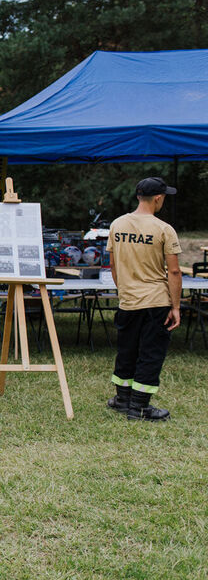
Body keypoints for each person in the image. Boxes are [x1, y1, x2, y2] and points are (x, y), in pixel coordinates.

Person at [106, 177, 182, 421]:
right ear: (158, 198)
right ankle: (139, 407)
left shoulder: (117, 224)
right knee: (150, 353)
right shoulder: (163, 229)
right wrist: (176, 306)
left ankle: (122, 399)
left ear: (139, 196)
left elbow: (114, 266)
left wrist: (126, 290)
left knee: (127, 350)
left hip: (128, 301)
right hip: (156, 301)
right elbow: (174, 271)